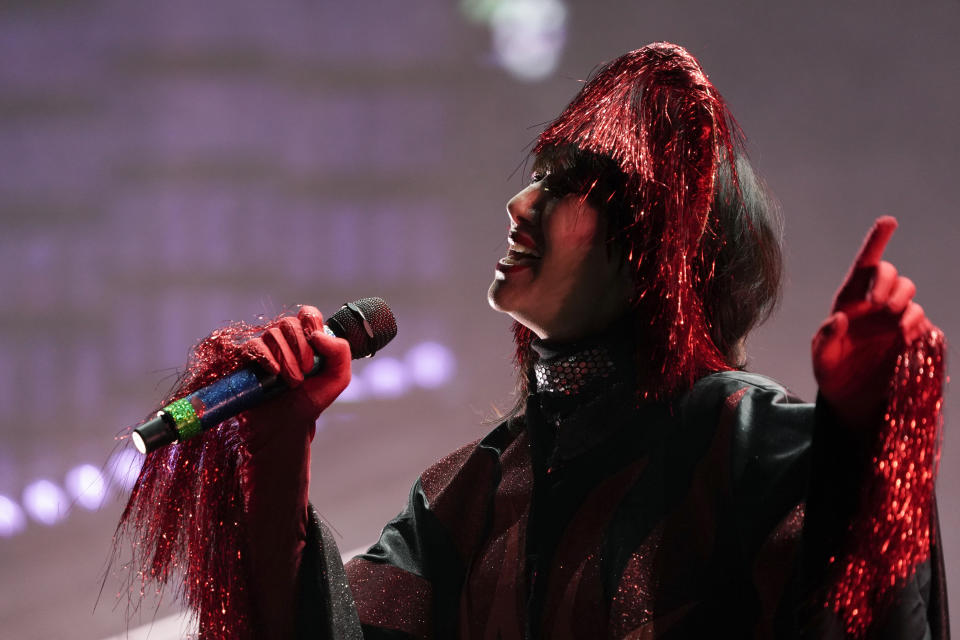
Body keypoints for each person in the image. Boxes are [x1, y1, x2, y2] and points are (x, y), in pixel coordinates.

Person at [117, 43, 948, 639]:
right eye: (537, 174)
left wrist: (866, 440)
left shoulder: (754, 445)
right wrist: (280, 444)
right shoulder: (473, 492)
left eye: (565, 184)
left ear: (659, 242)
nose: (519, 203)